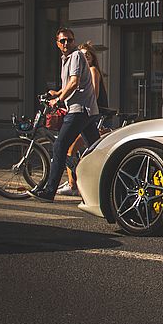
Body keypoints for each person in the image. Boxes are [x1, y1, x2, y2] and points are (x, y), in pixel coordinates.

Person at [29, 27, 99, 202]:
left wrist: (59, 100)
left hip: (79, 110)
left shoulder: (75, 56)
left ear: (74, 41)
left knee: (59, 146)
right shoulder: (66, 59)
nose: (66, 43)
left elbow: (74, 83)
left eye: (69, 40)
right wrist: (57, 92)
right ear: (57, 43)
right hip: (87, 111)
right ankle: (104, 187)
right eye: (63, 41)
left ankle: (49, 191)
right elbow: (72, 83)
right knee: (96, 152)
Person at [58, 41, 107, 196]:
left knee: (70, 149)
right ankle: (78, 182)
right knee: (91, 148)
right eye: (82, 56)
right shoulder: (81, 71)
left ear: (92, 58)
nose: (84, 58)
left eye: (87, 55)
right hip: (89, 113)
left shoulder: (92, 71)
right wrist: (58, 94)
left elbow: (93, 94)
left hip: (91, 114)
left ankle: (73, 185)